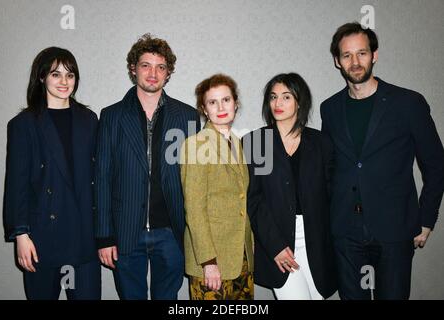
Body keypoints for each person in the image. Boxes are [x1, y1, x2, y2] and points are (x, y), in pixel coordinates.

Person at [320, 22, 444, 300]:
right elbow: (330, 169)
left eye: (362, 53)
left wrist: (427, 220)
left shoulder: (408, 103)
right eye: (347, 55)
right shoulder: (330, 108)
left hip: (395, 230)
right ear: (337, 62)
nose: (355, 62)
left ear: (374, 55)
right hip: (345, 231)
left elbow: (436, 165)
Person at [95, 34, 200, 300]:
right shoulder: (111, 116)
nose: (153, 73)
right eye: (145, 65)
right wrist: (104, 237)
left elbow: (195, 181)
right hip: (126, 232)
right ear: (133, 68)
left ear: (168, 73)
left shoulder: (187, 116)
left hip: (173, 233)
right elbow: (103, 177)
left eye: (160, 67)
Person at [3, 47, 101, 300]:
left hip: (84, 235)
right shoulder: (23, 125)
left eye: (70, 75)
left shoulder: (90, 120)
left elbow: (100, 179)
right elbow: (17, 184)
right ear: (41, 77)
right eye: (56, 74)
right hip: (42, 236)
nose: (64, 81)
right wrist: (21, 234)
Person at [245, 73, 337, 300]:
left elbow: (332, 195)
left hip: (317, 240)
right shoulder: (258, 142)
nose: (278, 103)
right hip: (277, 241)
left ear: (299, 101)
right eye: (273, 97)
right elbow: (253, 199)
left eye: (286, 97)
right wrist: (274, 245)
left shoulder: (320, 142)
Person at [180, 74, 254, 300]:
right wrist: (209, 262)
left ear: (235, 103)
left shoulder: (237, 143)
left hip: (240, 256)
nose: (220, 107)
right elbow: (194, 209)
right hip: (212, 263)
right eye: (213, 102)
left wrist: (249, 248)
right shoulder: (195, 145)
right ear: (204, 108)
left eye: (226, 100)